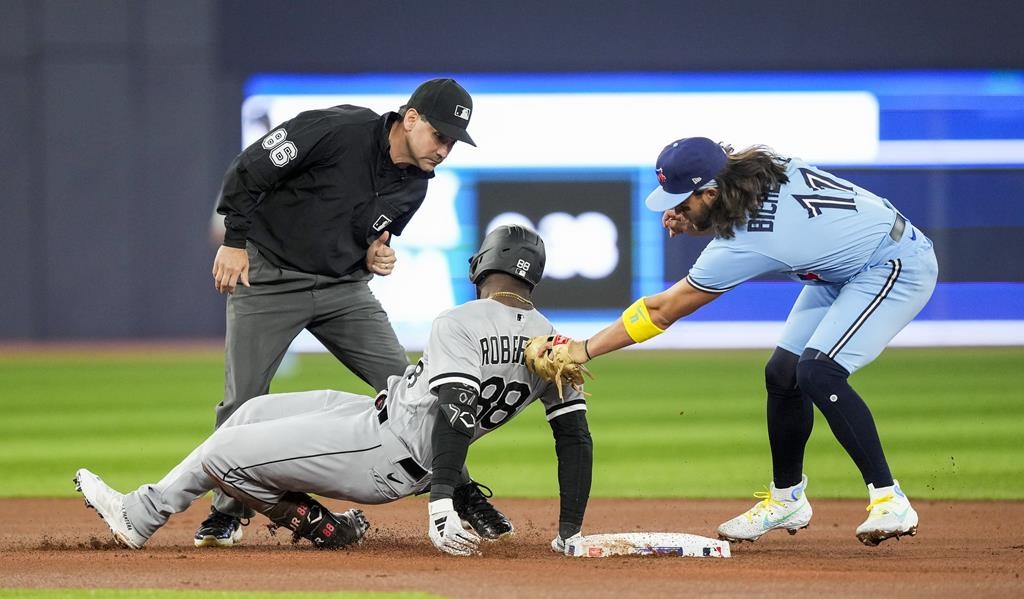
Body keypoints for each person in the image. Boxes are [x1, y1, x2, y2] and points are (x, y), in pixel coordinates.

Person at [74, 226, 594, 556]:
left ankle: (315, 525)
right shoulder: (554, 342)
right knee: (250, 413)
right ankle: (144, 514)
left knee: (224, 454)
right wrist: (569, 527)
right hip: (379, 420)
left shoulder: (459, 319)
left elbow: (456, 414)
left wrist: (441, 505)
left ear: (481, 265)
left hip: (387, 453)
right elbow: (575, 440)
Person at [536, 137, 937, 547]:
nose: (676, 209)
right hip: (842, 265)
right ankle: (787, 499)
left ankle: (890, 498)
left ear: (711, 192)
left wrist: (582, 349)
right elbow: (749, 213)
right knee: (783, 374)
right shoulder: (759, 166)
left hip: (893, 264)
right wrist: (697, 219)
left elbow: (662, 311)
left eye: (683, 200)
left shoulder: (750, 241)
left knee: (819, 372)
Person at [195, 77, 514, 547]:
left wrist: (373, 255)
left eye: (453, 141)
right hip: (270, 280)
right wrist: (235, 242)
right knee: (243, 401)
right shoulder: (334, 129)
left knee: (421, 390)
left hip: (344, 289)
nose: (444, 149)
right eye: (439, 135)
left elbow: (371, 236)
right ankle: (228, 510)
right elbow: (249, 169)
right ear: (410, 119)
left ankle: (462, 493)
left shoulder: (416, 186)